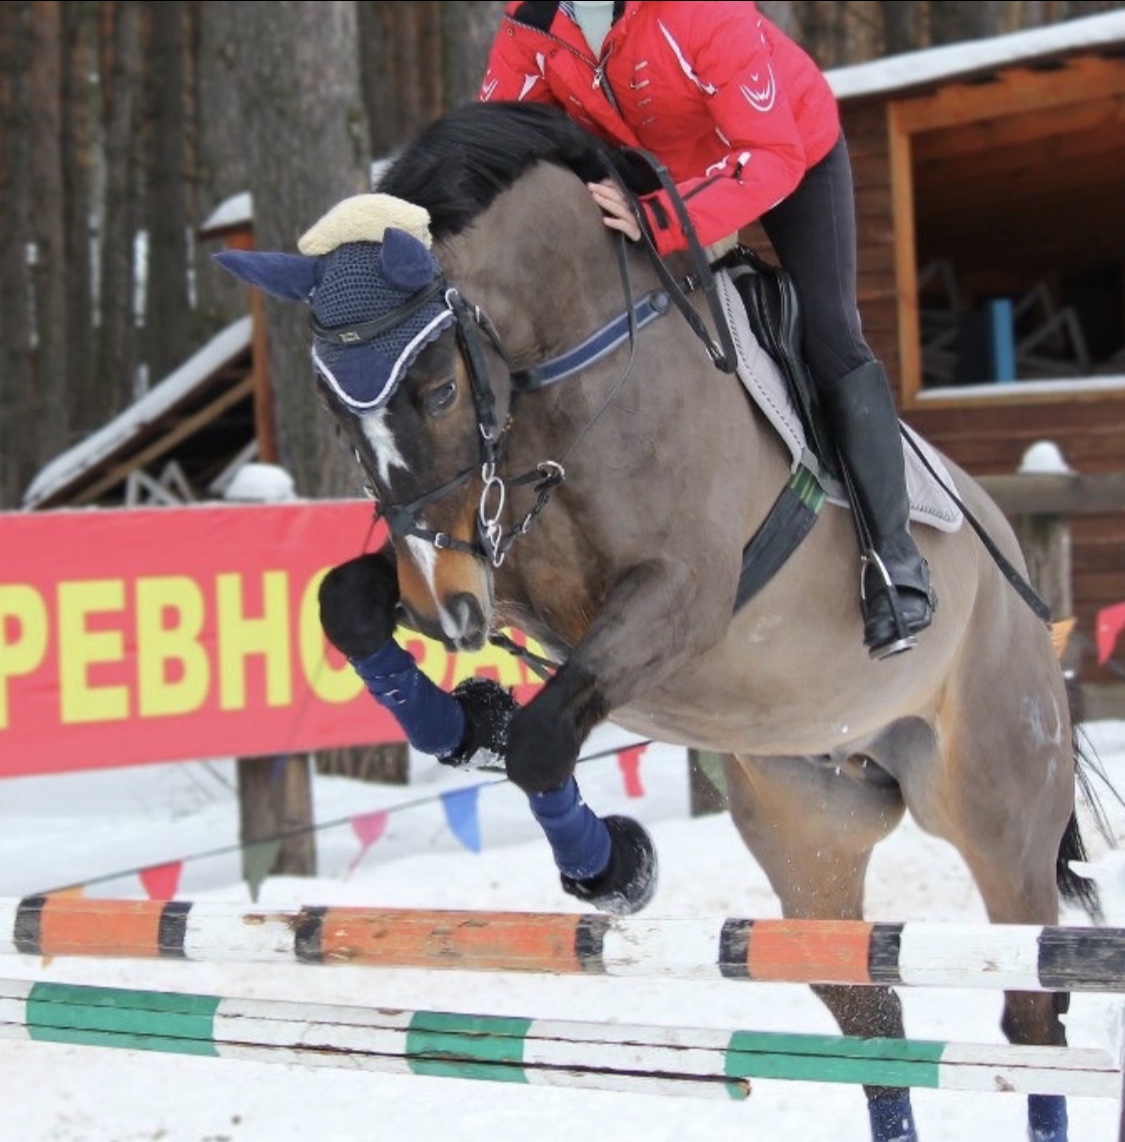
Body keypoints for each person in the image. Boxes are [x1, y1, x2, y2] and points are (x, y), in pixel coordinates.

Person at [477, 0, 936, 659]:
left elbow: (772, 155)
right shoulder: (528, 25)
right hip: (645, 171)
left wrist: (660, 216)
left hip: (785, 150)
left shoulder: (701, 10)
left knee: (830, 332)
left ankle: (893, 562)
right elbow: (496, 148)